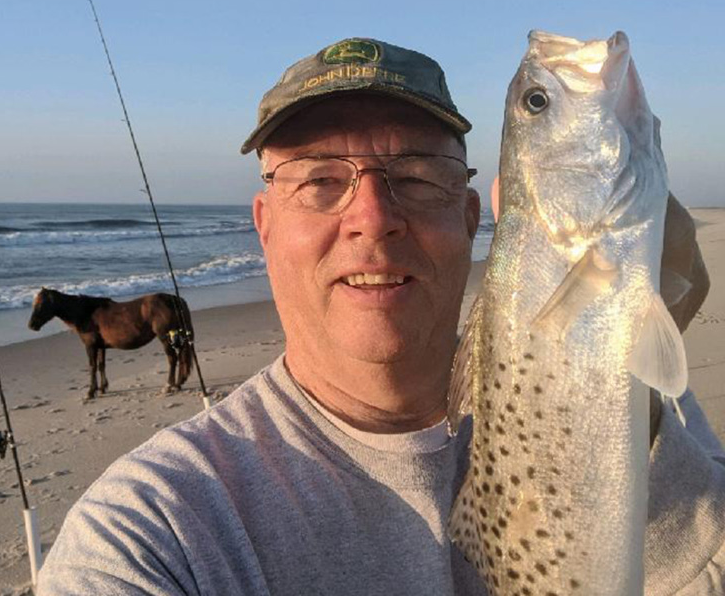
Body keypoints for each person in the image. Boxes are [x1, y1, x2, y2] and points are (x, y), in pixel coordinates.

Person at [38, 38, 725, 595]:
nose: (372, 218)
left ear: (471, 216)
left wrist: (631, 414)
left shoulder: (647, 399)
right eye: (318, 181)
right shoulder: (151, 529)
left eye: (418, 177)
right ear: (264, 227)